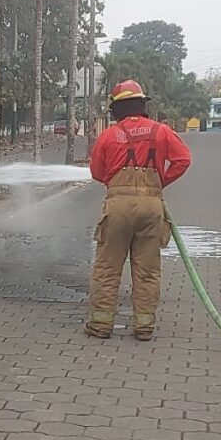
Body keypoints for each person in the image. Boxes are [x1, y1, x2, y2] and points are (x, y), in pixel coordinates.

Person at [86, 79, 191, 340]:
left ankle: (100, 325)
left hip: (118, 206)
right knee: (147, 270)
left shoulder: (109, 135)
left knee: (108, 268)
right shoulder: (162, 131)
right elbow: (183, 160)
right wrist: (156, 184)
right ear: (141, 105)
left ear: (117, 109)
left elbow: (97, 172)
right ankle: (144, 326)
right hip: (151, 207)